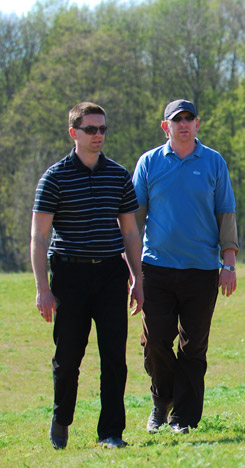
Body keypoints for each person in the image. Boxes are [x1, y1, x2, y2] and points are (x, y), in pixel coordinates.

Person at [31, 102, 143, 449]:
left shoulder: (119, 175)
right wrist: (42, 289)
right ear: (73, 133)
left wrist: (138, 278)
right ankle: (61, 421)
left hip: (111, 273)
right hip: (69, 274)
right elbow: (39, 235)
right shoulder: (54, 177)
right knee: (68, 359)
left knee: (114, 359)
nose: (98, 135)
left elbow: (129, 232)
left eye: (103, 129)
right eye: (91, 129)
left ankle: (111, 432)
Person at [132, 99, 239, 433]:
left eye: (189, 119)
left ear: (197, 124)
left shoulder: (213, 162)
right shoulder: (149, 163)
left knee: (194, 346)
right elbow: (134, 220)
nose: (183, 124)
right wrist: (132, 270)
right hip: (156, 268)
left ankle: (184, 418)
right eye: (176, 120)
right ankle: (162, 401)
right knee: (155, 342)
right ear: (166, 126)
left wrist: (229, 263)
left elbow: (226, 212)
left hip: (202, 270)